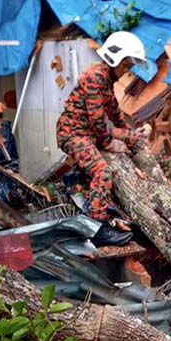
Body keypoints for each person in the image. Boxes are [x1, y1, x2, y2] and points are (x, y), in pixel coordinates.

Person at [56, 31, 147, 247]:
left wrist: (131, 136)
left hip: (87, 133)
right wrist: (109, 143)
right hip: (74, 133)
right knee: (102, 171)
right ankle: (96, 227)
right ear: (115, 58)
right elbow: (97, 119)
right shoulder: (95, 77)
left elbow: (115, 113)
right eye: (125, 65)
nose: (126, 71)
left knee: (126, 141)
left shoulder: (107, 79)